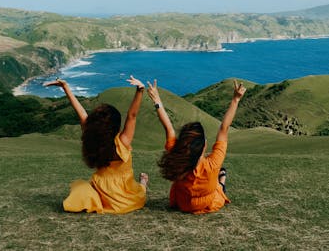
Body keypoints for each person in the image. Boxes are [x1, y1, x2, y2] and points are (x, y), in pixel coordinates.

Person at [44, 75, 148, 214]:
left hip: (103, 192)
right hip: (126, 195)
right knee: (140, 190)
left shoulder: (93, 139)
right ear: (116, 125)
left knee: (80, 187)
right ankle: (143, 183)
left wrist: (65, 87)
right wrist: (140, 91)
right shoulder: (122, 143)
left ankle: (141, 184)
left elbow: (80, 112)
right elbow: (132, 116)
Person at [147, 79, 246, 214]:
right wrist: (236, 100)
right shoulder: (212, 164)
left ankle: (220, 178)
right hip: (207, 203)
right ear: (204, 145)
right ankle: (222, 179)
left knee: (210, 181)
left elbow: (169, 128)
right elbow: (224, 128)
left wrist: (157, 100)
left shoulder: (177, 157)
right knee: (218, 186)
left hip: (183, 203)